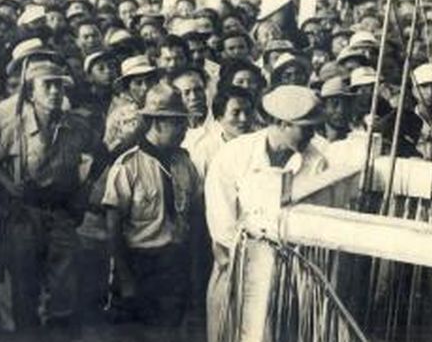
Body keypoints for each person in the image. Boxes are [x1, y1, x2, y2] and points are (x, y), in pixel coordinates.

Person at [205, 85, 356, 342]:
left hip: (292, 274)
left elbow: (317, 221)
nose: (311, 134)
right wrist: (251, 257)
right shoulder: (233, 155)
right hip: (236, 266)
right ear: (281, 123)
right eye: (305, 128)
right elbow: (222, 223)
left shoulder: (317, 161)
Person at [0, 58, 107, 337]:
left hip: (62, 213)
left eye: (60, 86)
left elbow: (101, 156)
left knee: (65, 290)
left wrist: (84, 189)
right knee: (24, 288)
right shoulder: (13, 126)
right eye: (48, 86)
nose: (55, 92)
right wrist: (10, 186)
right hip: (25, 214)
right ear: (31, 92)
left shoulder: (77, 126)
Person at [102, 83, 201, 326]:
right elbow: (113, 228)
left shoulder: (184, 163)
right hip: (140, 265)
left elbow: (195, 214)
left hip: (176, 264)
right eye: (177, 123)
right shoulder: (128, 166)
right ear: (157, 123)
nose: (185, 129)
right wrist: (125, 279)